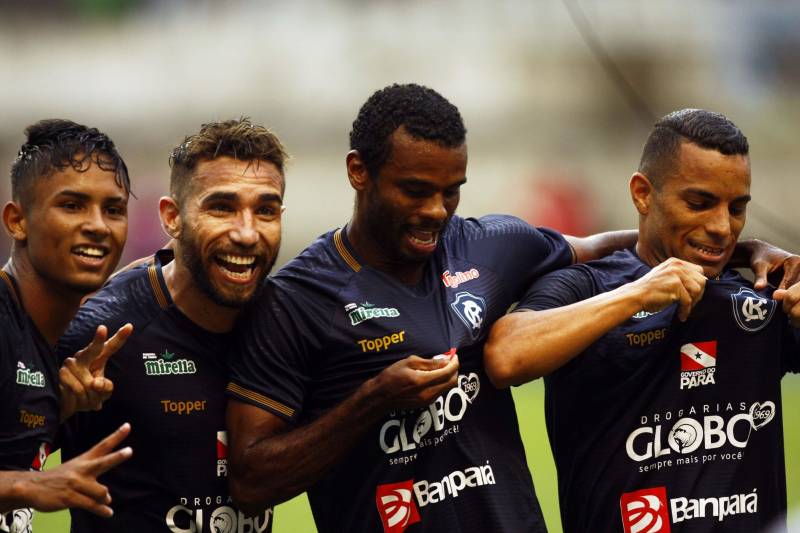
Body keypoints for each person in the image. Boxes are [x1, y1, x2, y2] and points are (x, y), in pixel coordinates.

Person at [222, 83, 710, 533]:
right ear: (359, 171)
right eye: (415, 190)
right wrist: (372, 399)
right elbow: (250, 482)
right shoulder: (294, 300)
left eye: (451, 190)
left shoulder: (489, 245)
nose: (436, 209)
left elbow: (603, 246)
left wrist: (741, 251)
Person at [484, 109, 800, 531]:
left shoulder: (762, 291)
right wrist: (638, 294)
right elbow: (506, 355)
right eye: (700, 203)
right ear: (642, 194)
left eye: (737, 208)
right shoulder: (589, 286)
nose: (723, 227)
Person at [56, 118, 286, 532]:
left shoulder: (285, 319)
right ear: (172, 218)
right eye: (222, 207)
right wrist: (59, 406)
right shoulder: (102, 334)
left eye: (265, 210)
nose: (248, 233)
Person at [0, 119, 135, 532]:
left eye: (113, 210)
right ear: (17, 221)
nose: (97, 225)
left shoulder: (41, 339)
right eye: (72, 205)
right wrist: (28, 485)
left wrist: (60, 409)